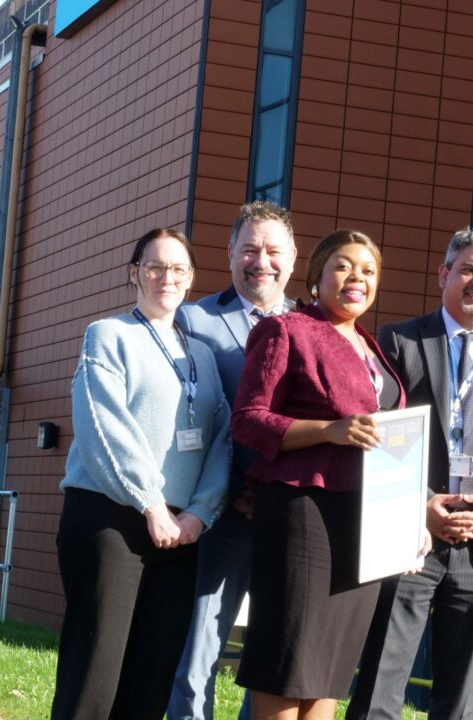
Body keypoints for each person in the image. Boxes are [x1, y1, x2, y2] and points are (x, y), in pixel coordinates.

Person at [348, 228, 473, 720]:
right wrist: (422, 504)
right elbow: (381, 434)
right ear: (445, 275)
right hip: (412, 537)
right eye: (469, 270)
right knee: (382, 683)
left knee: (457, 697)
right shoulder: (400, 340)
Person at [50, 228, 231, 720]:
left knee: (151, 680)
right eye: (154, 267)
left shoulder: (205, 359)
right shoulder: (108, 336)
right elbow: (103, 426)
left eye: (178, 269)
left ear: (190, 279)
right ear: (135, 274)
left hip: (181, 533)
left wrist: (198, 514)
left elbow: (223, 439)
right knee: (95, 676)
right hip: (112, 520)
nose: (165, 277)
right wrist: (150, 502)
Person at [232, 229, 405, 720]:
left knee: (330, 665)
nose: (358, 278)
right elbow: (248, 419)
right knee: (287, 662)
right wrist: (329, 430)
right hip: (303, 512)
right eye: (345, 265)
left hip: (364, 520)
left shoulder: (372, 346)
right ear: (316, 277)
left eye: (369, 270)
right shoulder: (287, 329)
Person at [168, 200, 298, 720]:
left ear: (293, 257)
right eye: (249, 249)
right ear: (229, 255)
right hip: (220, 514)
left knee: (272, 645)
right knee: (199, 646)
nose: (260, 260)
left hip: (289, 514)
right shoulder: (193, 320)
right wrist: (231, 490)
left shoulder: (312, 325)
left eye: (272, 250)